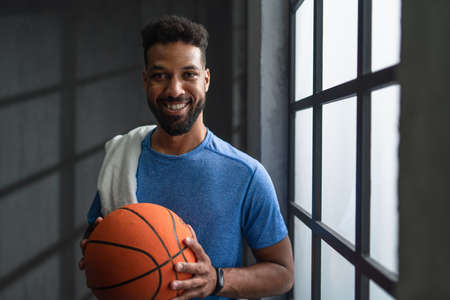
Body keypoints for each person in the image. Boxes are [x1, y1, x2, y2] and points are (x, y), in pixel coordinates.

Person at [79, 15, 294, 300]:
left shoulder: (246, 173)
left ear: (206, 79)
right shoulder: (122, 159)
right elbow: (98, 235)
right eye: (160, 76)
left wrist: (218, 279)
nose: (174, 90)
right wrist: (100, 251)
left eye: (188, 74)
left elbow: (283, 273)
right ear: (145, 81)